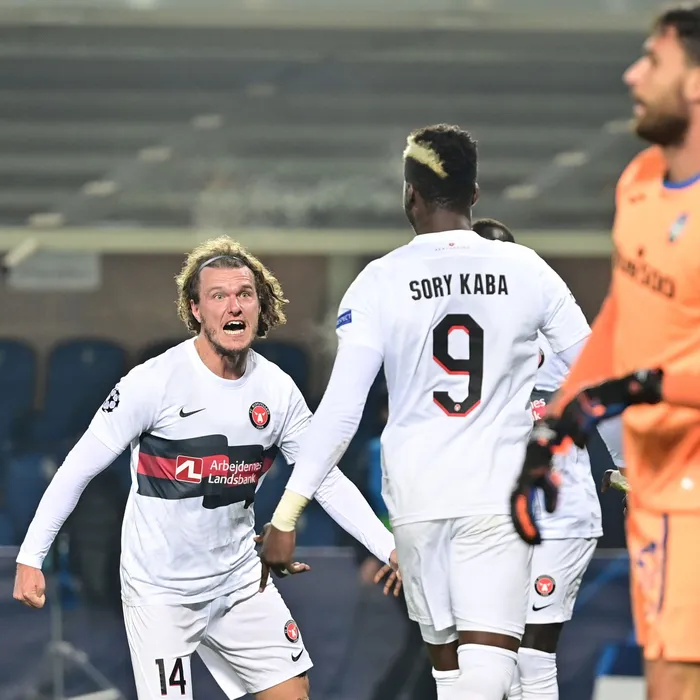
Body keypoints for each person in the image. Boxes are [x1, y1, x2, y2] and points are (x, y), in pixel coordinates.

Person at [258, 123, 594, 700]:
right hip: (496, 492)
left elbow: (340, 412)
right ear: (475, 194)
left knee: (450, 674)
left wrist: (287, 514)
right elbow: (594, 370)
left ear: (410, 195)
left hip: (414, 498)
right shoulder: (526, 269)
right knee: (492, 667)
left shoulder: (378, 281)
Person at [13, 236, 397, 700]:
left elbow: (325, 480)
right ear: (195, 310)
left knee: (292, 694)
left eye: (244, 294)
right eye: (219, 296)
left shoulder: (277, 390)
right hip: (160, 591)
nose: (233, 305)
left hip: (238, 579)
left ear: (260, 305)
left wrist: (388, 548)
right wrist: (31, 556)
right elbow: (77, 469)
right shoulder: (153, 383)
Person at [510, 5, 700, 699]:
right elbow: (622, 315)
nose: (632, 74)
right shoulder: (640, 179)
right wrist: (555, 430)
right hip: (654, 486)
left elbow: (641, 375)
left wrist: (637, 389)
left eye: (653, 60)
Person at [472, 218, 624, 700]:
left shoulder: (556, 329)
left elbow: (602, 391)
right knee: (491, 656)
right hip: (487, 517)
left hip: (559, 514)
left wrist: (628, 468)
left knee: (532, 656)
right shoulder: (455, 341)